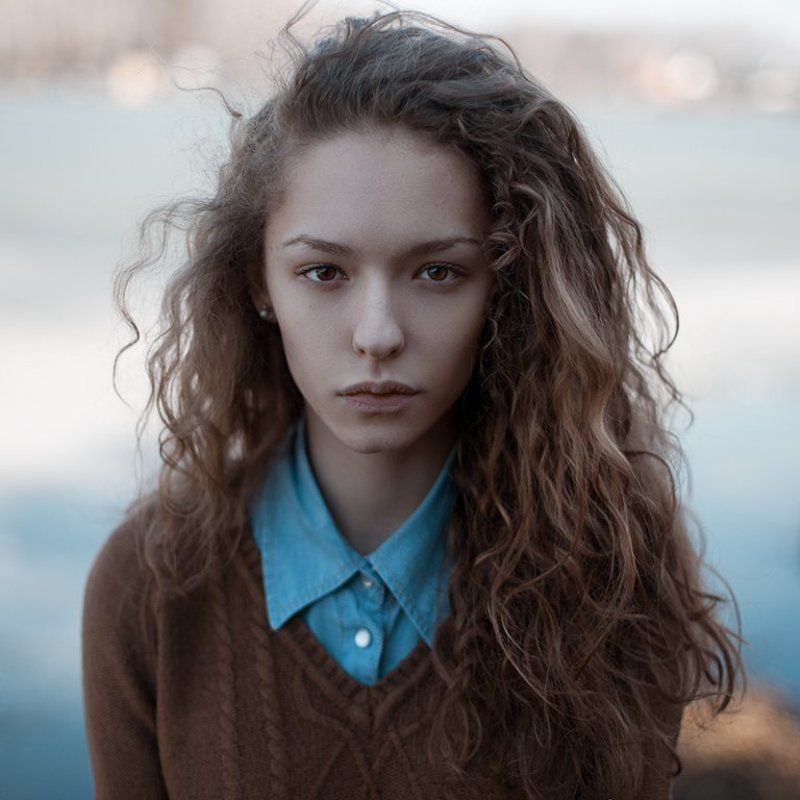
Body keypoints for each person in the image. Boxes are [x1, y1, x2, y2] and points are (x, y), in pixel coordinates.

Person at [81, 4, 745, 799]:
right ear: (258, 281)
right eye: (324, 272)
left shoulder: (610, 567)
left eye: (437, 272)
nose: (377, 334)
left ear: (506, 285)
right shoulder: (149, 585)